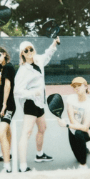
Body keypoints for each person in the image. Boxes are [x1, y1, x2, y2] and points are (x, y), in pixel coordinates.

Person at [12, 36, 60, 172]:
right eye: (25, 50)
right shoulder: (22, 71)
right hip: (30, 102)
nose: (29, 52)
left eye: (31, 49)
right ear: (22, 54)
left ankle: (39, 155)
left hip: (39, 102)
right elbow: (17, 91)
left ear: (34, 50)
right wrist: (33, 93)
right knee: (26, 133)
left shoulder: (38, 61)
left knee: (42, 128)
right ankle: (23, 166)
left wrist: (54, 43)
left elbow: (47, 55)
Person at [0, 28, 17, 173]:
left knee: (1, 132)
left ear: (5, 54)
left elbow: (8, 86)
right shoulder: (1, 66)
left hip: (8, 105)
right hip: (2, 104)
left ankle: (7, 166)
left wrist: (5, 105)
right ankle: (7, 152)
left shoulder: (8, 67)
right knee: (6, 131)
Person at [59, 77, 90, 169]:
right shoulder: (71, 98)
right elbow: (72, 119)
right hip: (73, 129)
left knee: (79, 133)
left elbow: (85, 127)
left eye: (79, 85)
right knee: (77, 156)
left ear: (86, 86)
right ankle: (89, 148)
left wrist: (66, 125)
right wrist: (89, 132)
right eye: (74, 86)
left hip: (83, 131)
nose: (76, 88)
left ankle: (83, 165)